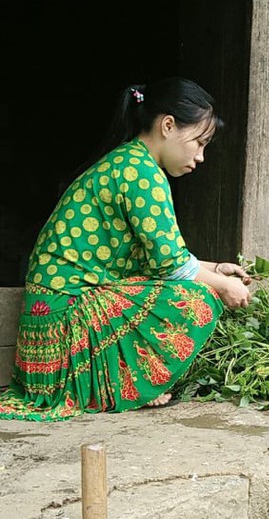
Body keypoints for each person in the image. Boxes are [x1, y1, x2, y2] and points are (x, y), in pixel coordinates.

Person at [0, 77, 251, 421]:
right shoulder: (141, 173)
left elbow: (164, 258)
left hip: (53, 317)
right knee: (197, 299)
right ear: (168, 126)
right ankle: (128, 386)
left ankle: (126, 383)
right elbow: (171, 266)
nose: (201, 156)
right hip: (66, 316)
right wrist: (224, 286)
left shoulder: (130, 162)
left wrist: (215, 268)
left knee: (197, 283)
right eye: (199, 142)